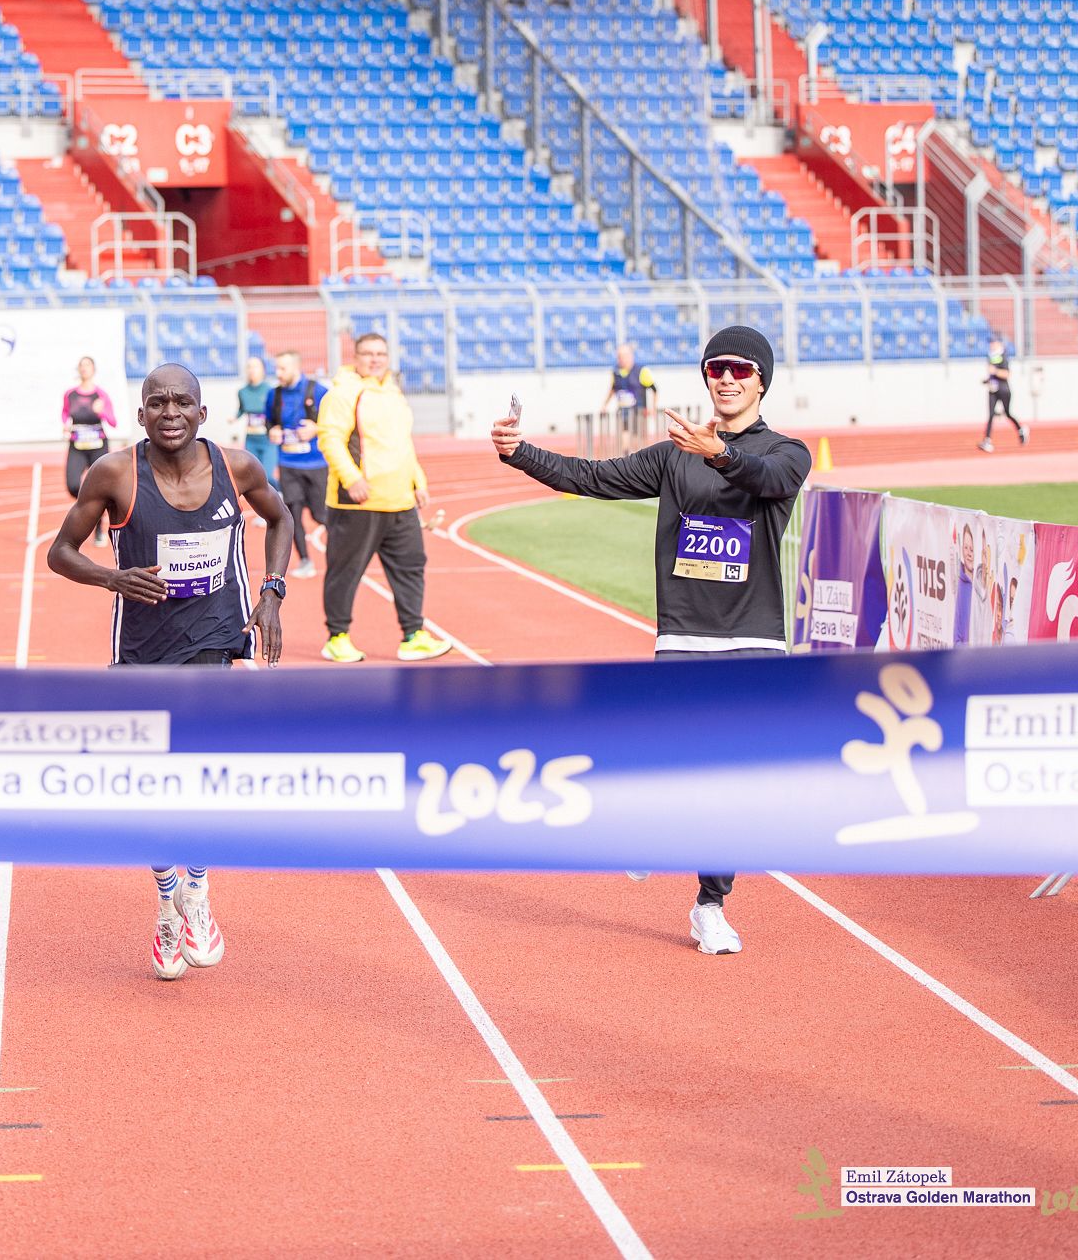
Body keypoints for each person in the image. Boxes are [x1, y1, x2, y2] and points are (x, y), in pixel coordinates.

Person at [492, 325, 810, 957]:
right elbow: (589, 476)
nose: (726, 378)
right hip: (686, 635)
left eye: (740, 370)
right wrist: (520, 452)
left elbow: (768, 480)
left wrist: (720, 454)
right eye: (715, 368)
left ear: (761, 382)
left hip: (753, 640)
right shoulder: (673, 456)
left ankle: (710, 905)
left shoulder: (787, 452)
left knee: (734, 785)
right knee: (679, 760)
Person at [46, 362, 292, 980]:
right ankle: (165, 902)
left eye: (183, 402)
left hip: (215, 640)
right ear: (140, 414)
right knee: (149, 787)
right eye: (158, 402)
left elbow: (282, 518)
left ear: (203, 413)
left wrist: (272, 591)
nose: (171, 412)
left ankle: (198, 892)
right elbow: (60, 552)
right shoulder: (114, 474)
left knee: (203, 779)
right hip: (142, 649)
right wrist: (112, 577)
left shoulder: (238, 468)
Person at [316, 332, 453, 663]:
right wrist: (352, 478)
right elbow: (330, 439)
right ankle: (337, 638)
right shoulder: (343, 393)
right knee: (345, 572)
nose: (375, 359)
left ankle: (413, 636)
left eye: (381, 353)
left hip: (400, 502)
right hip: (358, 502)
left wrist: (418, 482)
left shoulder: (393, 393)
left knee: (411, 568)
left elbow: (403, 444)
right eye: (368, 353)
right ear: (356, 357)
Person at [266, 350, 329, 579]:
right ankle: (304, 560)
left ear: (296, 367)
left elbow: (336, 423)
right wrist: (272, 431)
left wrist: (317, 428)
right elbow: (269, 422)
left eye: (283, 368)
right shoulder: (274, 395)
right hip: (288, 464)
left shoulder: (318, 391)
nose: (278, 373)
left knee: (321, 515)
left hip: (316, 464)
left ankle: (339, 557)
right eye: (277, 368)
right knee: (292, 516)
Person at [61, 356, 117, 546]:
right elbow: (65, 413)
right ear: (78, 370)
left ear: (94, 370)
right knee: (73, 485)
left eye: (88, 365)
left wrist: (102, 411)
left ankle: (99, 527)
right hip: (77, 446)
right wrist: (65, 425)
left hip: (98, 446)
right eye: (82, 365)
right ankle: (93, 507)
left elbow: (113, 421)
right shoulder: (70, 394)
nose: (84, 369)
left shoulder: (101, 395)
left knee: (101, 487)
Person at [602, 342, 656, 454]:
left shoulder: (642, 371)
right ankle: (626, 458)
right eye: (619, 356)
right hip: (623, 412)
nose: (620, 359)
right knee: (624, 441)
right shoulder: (616, 372)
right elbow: (612, 389)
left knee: (639, 443)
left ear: (630, 356)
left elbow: (654, 390)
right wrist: (604, 405)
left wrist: (653, 408)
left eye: (623, 356)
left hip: (638, 413)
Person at [234, 354, 275, 486]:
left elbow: (276, 411)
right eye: (249, 367)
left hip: (268, 440)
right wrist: (235, 417)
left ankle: (279, 492)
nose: (252, 370)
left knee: (268, 476)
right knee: (252, 476)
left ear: (263, 370)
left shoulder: (270, 391)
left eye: (255, 366)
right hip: (251, 440)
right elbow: (242, 408)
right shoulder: (242, 392)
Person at [979, 340, 1026, 452]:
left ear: (999, 344)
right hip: (992, 390)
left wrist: (995, 371)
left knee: (1007, 413)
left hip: (1004, 390)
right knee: (991, 414)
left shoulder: (1003, 356)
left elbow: (1006, 374)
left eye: (993, 343)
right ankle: (987, 440)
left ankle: (1020, 430)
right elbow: (992, 375)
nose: (991, 345)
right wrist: (987, 380)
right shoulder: (990, 357)